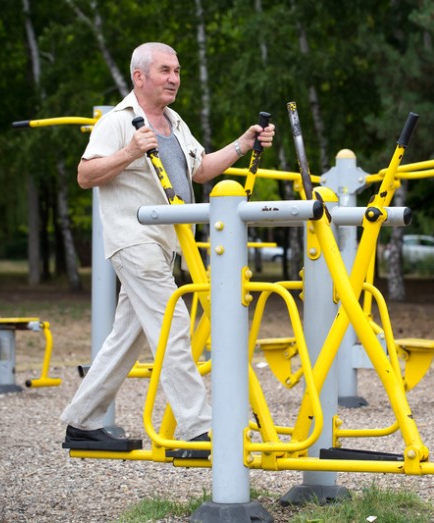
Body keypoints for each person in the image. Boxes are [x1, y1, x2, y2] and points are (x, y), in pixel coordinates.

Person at [60, 42, 275, 457]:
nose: (174, 78)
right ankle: (197, 428)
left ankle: (82, 422)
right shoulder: (117, 121)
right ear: (139, 76)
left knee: (126, 338)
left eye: (177, 71)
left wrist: (243, 144)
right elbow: (85, 175)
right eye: (165, 70)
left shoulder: (175, 123)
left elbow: (201, 170)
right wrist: (129, 151)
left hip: (165, 245)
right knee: (174, 323)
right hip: (133, 240)